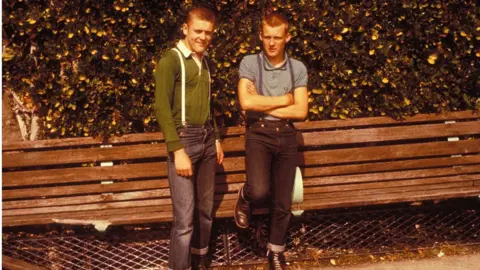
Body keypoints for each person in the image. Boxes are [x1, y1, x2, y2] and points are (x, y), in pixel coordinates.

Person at [234, 12, 308, 270]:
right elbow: (246, 103)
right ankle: (245, 195)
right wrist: (285, 100)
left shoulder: (297, 68)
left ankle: (275, 251)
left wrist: (263, 104)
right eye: (267, 37)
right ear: (260, 37)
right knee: (260, 190)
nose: (272, 43)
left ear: (287, 37)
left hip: (287, 135)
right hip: (259, 134)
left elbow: (301, 112)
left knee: (283, 201)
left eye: (278, 37)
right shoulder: (250, 63)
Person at [154, 6, 224, 270]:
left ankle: (200, 260)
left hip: (206, 141)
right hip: (184, 141)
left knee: (205, 213)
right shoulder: (171, 60)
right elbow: (162, 108)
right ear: (185, 29)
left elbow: (207, 105)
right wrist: (177, 150)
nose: (203, 36)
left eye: (208, 32)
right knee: (184, 221)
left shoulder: (206, 61)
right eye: (198, 31)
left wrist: (216, 137)